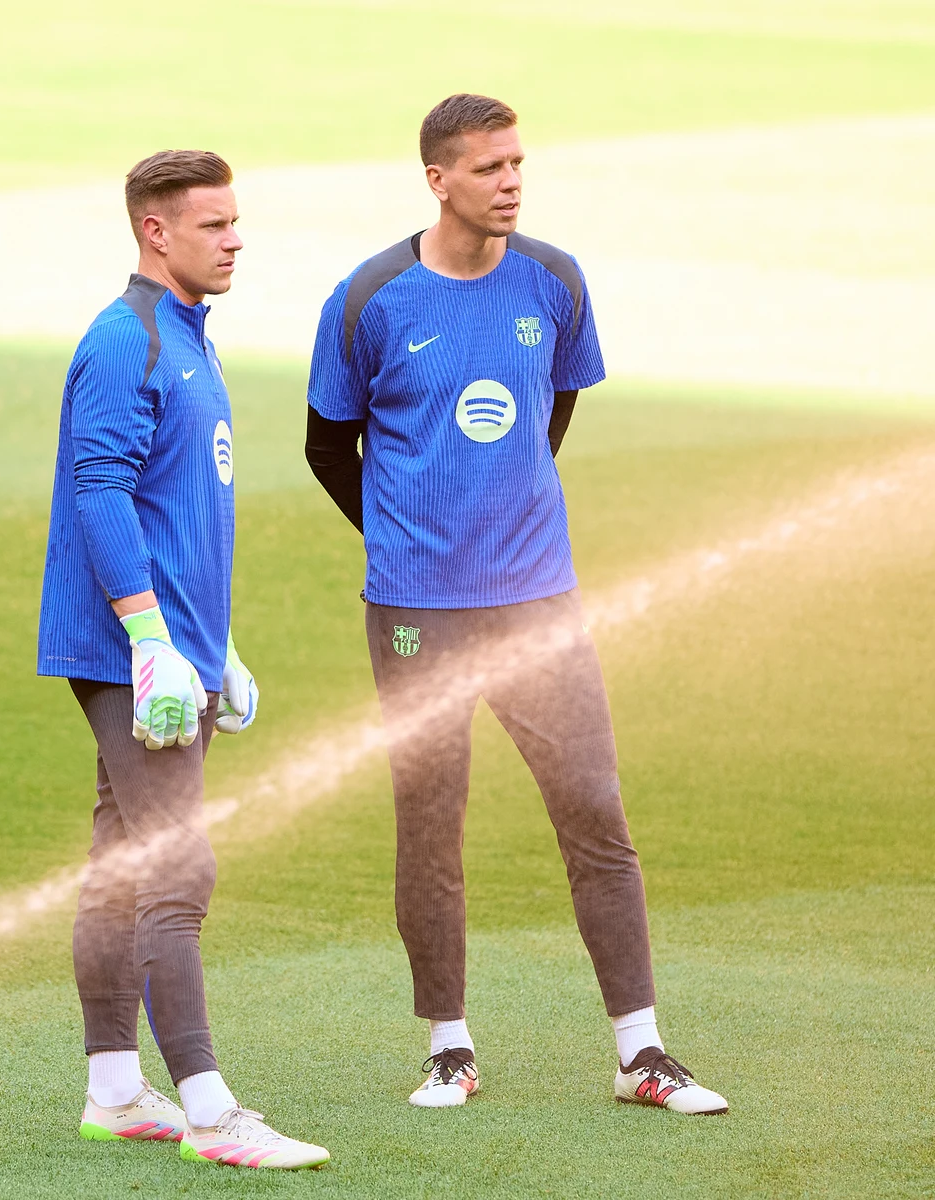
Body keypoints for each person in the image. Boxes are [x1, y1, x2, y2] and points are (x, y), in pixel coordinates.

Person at [305, 95, 728, 1116]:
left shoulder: (555, 281)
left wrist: (504, 529)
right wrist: (404, 535)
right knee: (431, 825)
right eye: (489, 167)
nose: (511, 182)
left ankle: (641, 1051)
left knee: (595, 810)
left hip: (541, 604)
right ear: (438, 180)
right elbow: (326, 445)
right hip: (416, 612)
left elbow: (553, 411)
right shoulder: (369, 299)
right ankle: (448, 1047)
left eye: (517, 164)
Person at [38, 149, 329, 1169]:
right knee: (177, 864)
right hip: (130, 649)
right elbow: (101, 492)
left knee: (123, 862)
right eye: (214, 224)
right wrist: (151, 637)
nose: (236, 239)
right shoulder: (127, 341)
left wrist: (216, 645)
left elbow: (178, 510)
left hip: (171, 644)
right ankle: (209, 1112)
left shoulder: (191, 338)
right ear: (155, 232)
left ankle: (118, 1093)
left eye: (236, 221)